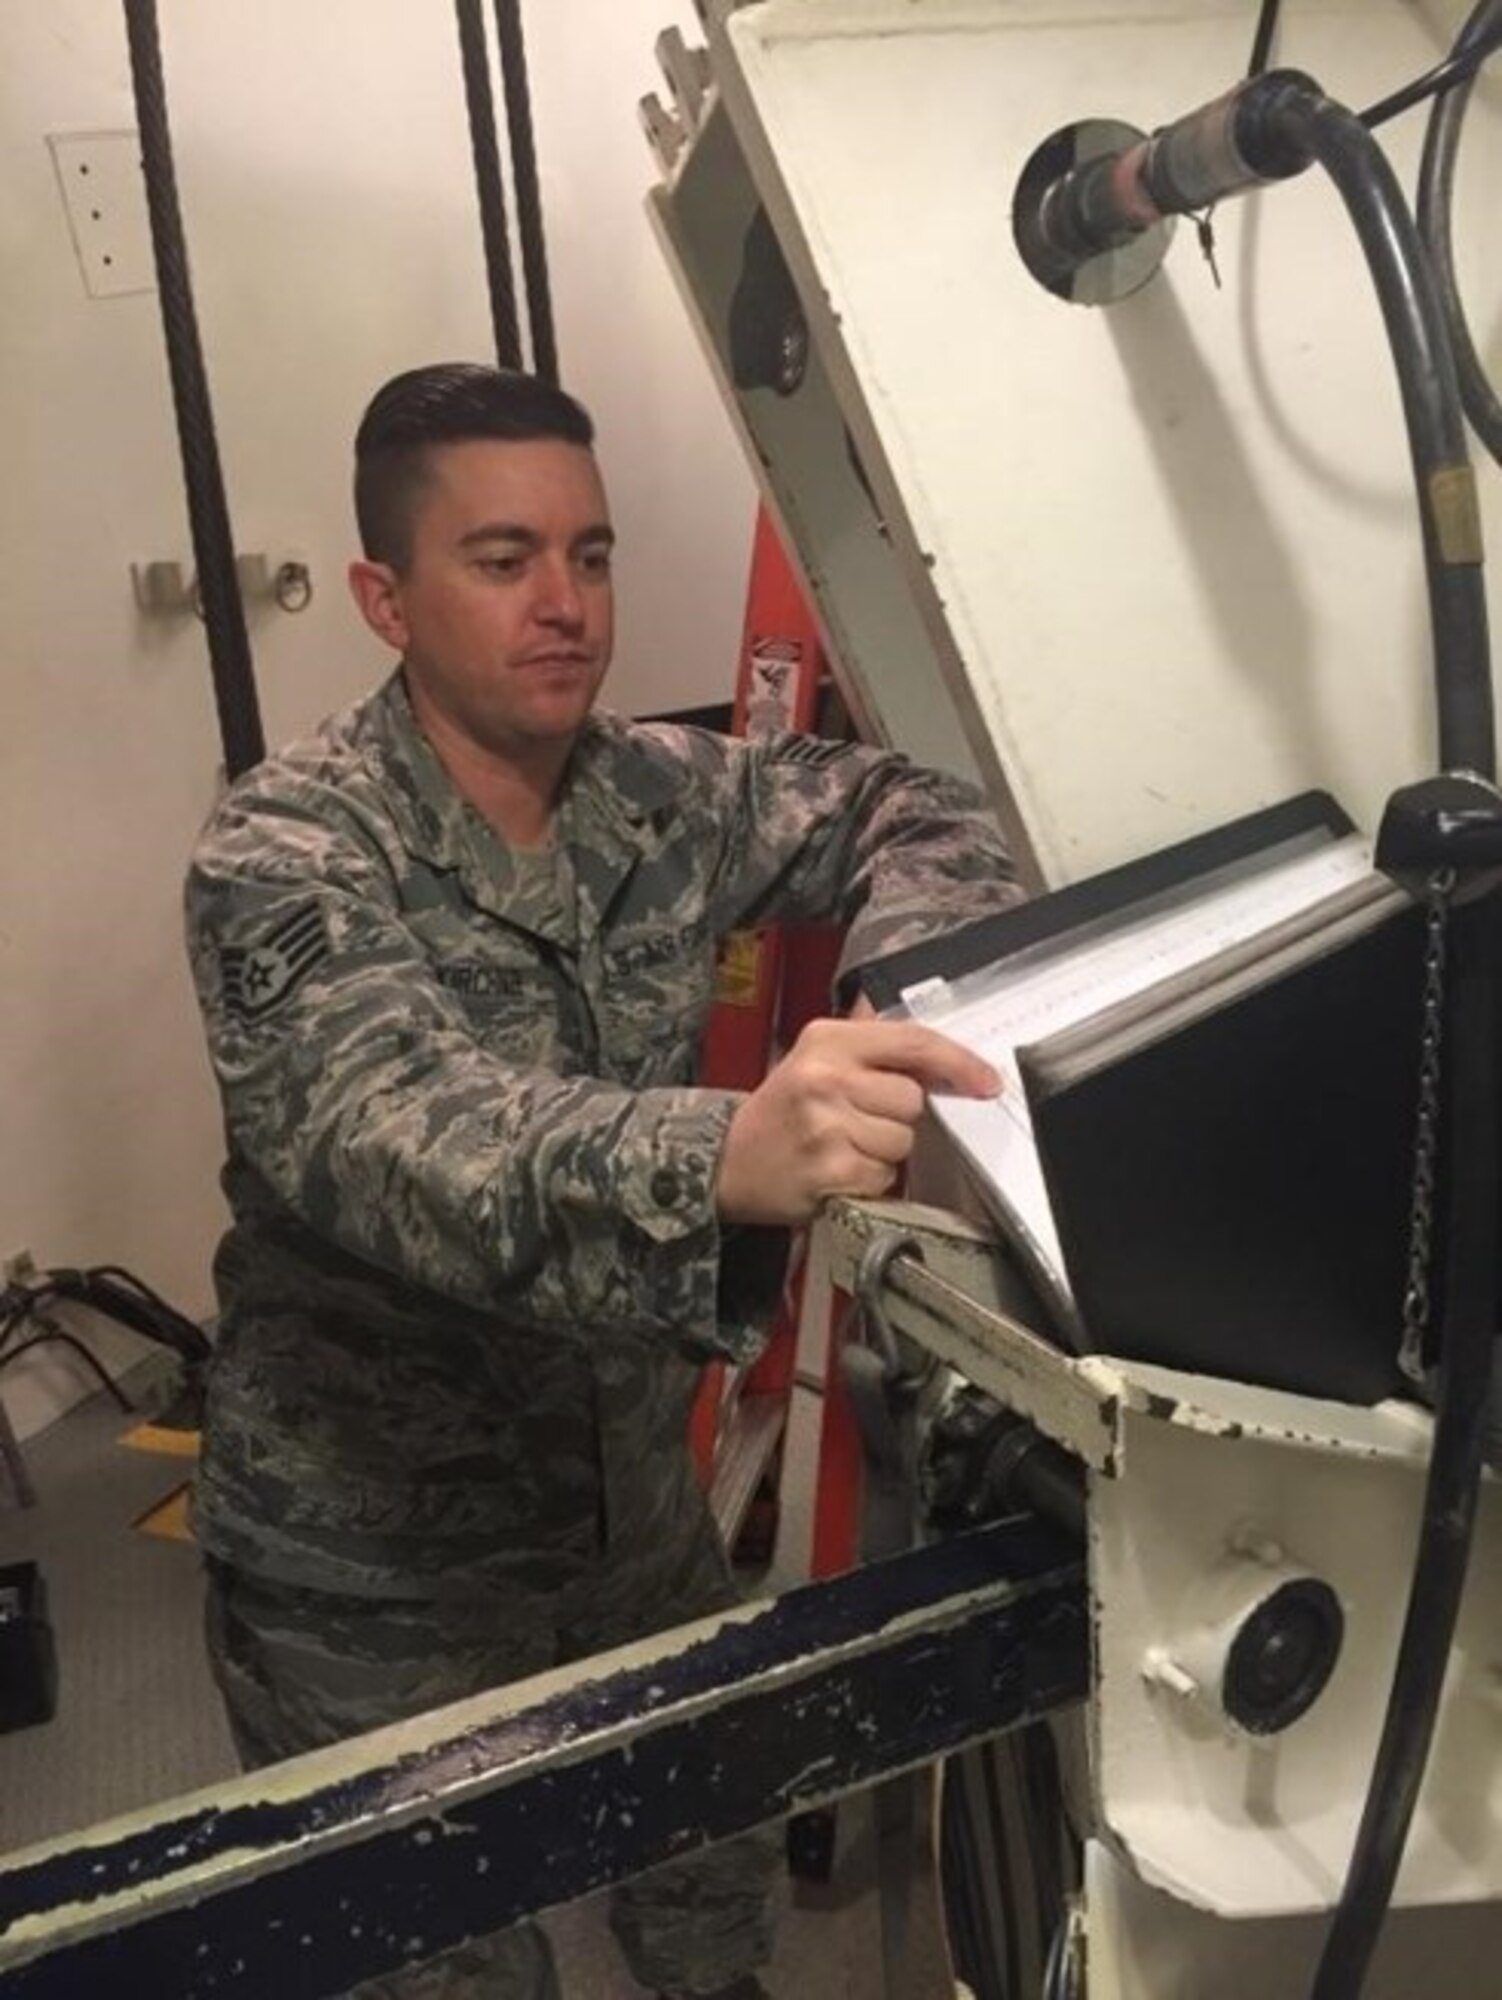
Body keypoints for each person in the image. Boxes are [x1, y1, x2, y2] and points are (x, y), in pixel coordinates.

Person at [184, 361, 1024, 1999]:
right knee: (439, 1964)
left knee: (708, 1898)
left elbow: (914, 803)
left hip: (628, 1497)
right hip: (375, 1550)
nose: (564, 605)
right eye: (502, 561)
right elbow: (398, 1134)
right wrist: (733, 1151)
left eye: (591, 555)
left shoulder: (661, 790)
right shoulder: (284, 850)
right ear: (385, 597)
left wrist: (889, 990)